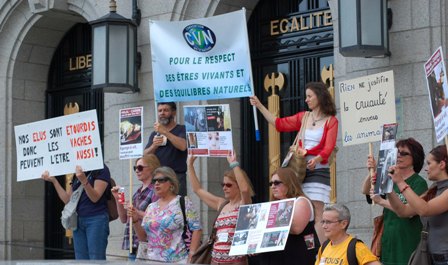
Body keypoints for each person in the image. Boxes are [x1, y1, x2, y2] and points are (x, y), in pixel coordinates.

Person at [250, 81, 338, 243]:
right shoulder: (303, 117)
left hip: (318, 171)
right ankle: (300, 246)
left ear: (320, 96)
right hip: (298, 170)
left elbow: (329, 147)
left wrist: (317, 158)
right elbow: (279, 124)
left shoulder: (331, 121)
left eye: (310, 96)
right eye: (306, 97)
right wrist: (260, 106)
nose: (307, 100)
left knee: (318, 212)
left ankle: (318, 252)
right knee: (295, 208)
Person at [361, 138, 428, 265]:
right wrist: (374, 171)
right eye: (397, 152)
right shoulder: (389, 178)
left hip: (407, 240)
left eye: (404, 153)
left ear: (415, 157)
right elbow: (365, 190)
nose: (399, 156)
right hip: (389, 240)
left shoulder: (419, 182)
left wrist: (382, 201)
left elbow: (410, 210)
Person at [187, 152, 254, 265]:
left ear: (238, 185)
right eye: (222, 185)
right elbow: (197, 190)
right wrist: (190, 165)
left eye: (228, 185)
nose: (224, 188)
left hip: (235, 262)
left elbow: (245, 190)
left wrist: (234, 164)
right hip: (215, 261)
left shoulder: (244, 205)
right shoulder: (222, 204)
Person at [387, 145, 448, 265]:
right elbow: (403, 211)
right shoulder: (434, 188)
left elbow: (424, 209)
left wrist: (400, 182)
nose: (426, 168)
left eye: (429, 163)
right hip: (431, 258)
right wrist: (388, 188)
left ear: (442, 164)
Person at [129, 166, 202, 263]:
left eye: (161, 180)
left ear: (171, 183)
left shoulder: (183, 201)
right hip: (151, 260)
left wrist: (192, 255)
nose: (157, 183)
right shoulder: (151, 207)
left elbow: (197, 229)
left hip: (177, 260)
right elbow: (144, 238)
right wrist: (135, 221)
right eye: (154, 181)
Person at [41, 165, 111, 260]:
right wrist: (54, 181)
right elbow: (68, 200)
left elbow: (95, 197)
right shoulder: (78, 172)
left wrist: (84, 181)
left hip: (96, 219)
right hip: (78, 221)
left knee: (96, 259)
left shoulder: (101, 169)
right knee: (81, 260)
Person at [258, 167, 320, 265]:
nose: (273, 186)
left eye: (277, 183)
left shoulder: (301, 201)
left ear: (288, 183)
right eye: (271, 184)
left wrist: (272, 219)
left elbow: (296, 229)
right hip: (275, 257)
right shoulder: (273, 204)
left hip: (297, 255)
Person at [111, 154, 161, 260]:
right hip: (133, 245)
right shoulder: (138, 192)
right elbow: (124, 219)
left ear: (152, 168)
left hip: (148, 246)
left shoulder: (156, 191)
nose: (137, 171)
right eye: (135, 168)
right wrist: (118, 198)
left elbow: (157, 218)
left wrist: (136, 212)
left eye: (140, 167)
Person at [144, 102, 188, 196]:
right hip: (158, 178)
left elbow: (183, 146)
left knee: (177, 208)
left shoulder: (181, 129)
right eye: (160, 111)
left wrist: (164, 132)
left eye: (166, 110)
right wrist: (154, 146)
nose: (162, 113)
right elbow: (145, 156)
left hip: (176, 177)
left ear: (174, 112)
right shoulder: (154, 134)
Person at [315, 203, 381, 265]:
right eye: (323, 222)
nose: (324, 226)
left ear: (343, 224)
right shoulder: (324, 247)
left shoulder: (356, 247)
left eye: (328, 222)